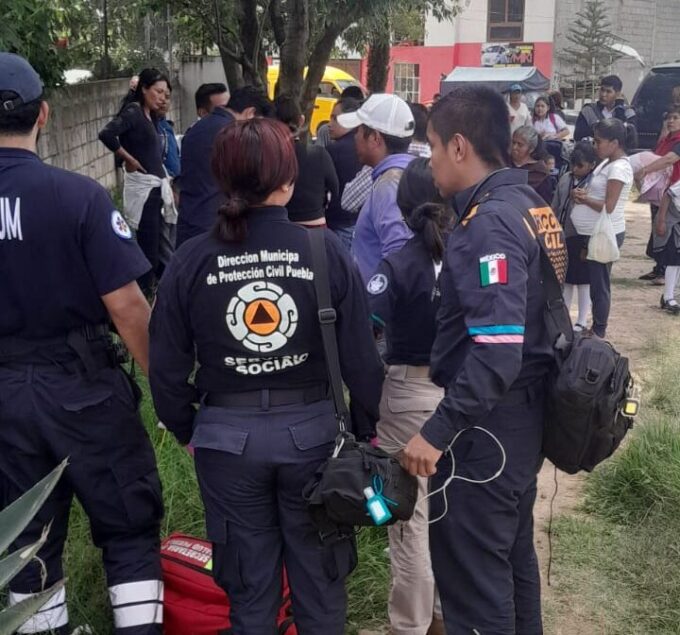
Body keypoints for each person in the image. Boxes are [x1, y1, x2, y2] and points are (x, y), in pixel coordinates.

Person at [148, 118, 383, 634]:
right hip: (315, 442)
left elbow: (164, 371)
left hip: (226, 445)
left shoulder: (190, 259)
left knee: (248, 593)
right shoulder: (325, 253)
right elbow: (363, 366)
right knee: (320, 591)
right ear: (289, 179)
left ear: (221, 177)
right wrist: (366, 433)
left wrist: (191, 429)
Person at [0, 53, 163, 635]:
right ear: (44, 115)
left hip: (5, 401)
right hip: (86, 389)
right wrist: (169, 395)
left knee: (24, 536)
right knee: (128, 523)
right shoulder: (79, 198)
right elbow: (128, 309)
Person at [400, 84, 566, 635]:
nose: (429, 160)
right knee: (509, 559)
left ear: (460, 147)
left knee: (473, 576)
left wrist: (436, 431)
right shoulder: (529, 203)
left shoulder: (487, 222)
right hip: (521, 420)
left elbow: (497, 353)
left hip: (487, 428)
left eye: (431, 146)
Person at [368, 158, 449, 635]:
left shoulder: (396, 264)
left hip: (405, 395)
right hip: (460, 398)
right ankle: (441, 618)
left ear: (402, 207)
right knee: (449, 517)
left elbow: (366, 331)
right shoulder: (468, 253)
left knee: (406, 522)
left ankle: (409, 627)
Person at [99, 68, 171, 295]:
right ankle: (144, 289)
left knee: (159, 239)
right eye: (158, 92)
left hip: (156, 186)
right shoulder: (133, 112)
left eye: (166, 94)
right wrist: (128, 158)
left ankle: (153, 283)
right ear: (144, 89)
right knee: (147, 242)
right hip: (144, 187)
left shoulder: (151, 116)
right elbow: (107, 134)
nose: (162, 97)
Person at [176, 86, 275, 246]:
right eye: (257, 124)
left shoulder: (195, 129)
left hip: (188, 221)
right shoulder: (234, 134)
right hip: (218, 227)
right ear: (250, 113)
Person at [337, 93, 416, 282]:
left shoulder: (389, 185)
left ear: (375, 138)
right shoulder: (407, 175)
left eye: (358, 130)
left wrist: (379, 305)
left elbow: (397, 253)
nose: (354, 136)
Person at [572, 118, 635, 337]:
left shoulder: (619, 168)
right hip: (594, 232)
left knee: (600, 285)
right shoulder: (606, 163)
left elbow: (608, 206)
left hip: (606, 233)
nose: (595, 145)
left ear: (615, 142)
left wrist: (584, 200)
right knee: (595, 282)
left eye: (599, 141)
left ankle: (599, 329)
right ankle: (595, 326)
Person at [552, 141, 599, 331]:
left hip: (582, 235)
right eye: (573, 164)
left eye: (580, 165)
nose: (575, 169)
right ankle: (565, 317)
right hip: (563, 233)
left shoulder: (593, 183)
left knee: (583, 280)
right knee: (567, 279)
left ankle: (581, 319)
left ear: (591, 165)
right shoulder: (565, 178)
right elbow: (556, 203)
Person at [275, 95, 339, 227]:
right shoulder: (319, 154)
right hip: (316, 227)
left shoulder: (267, 157)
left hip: (281, 227)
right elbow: (335, 190)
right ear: (301, 120)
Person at [636, 107, 680, 285]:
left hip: (673, 192)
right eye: (669, 118)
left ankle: (664, 270)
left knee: (666, 228)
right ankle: (659, 267)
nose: (671, 121)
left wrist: (644, 170)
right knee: (657, 226)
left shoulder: (677, 142)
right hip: (660, 189)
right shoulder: (667, 139)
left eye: (675, 118)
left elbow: (668, 159)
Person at [327, 96, 364, 249]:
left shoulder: (334, 151)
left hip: (339, 224)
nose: (330, 124)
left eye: (335, 118)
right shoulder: (367, 149)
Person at [574, 75, 637, 141]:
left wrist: (619, 112)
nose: (603, 94)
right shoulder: (588, 111)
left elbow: (631, 139)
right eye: (602, 90)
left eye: (608, 91)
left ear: (617, 94)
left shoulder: (628, 113)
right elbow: (578, 137)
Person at [512, 125, 555, 203]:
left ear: (531, 149)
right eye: (513, 142)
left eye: (520, 145)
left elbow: (544, 204)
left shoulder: (540, 174)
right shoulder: (504, 164)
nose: (514, 147)